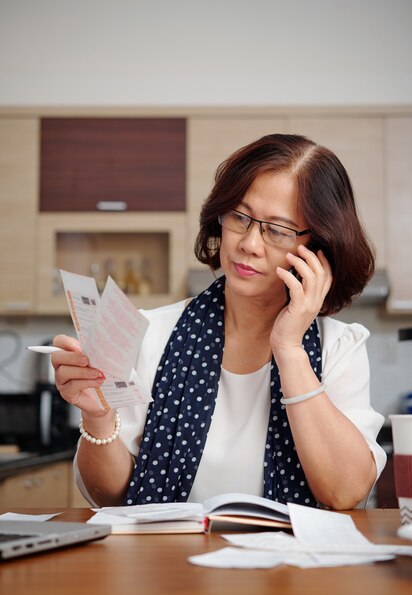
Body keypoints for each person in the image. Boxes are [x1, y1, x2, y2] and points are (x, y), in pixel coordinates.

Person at [52, 133, 386, 510]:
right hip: (170, 564)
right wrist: (98, 417)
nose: (249, 243)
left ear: (316, 250)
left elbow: (345, 493)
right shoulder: (150, 335)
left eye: (277, 230)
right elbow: (109, 498)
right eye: (240, 217)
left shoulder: (339, 347)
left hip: (292, 569)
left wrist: (290, 347)